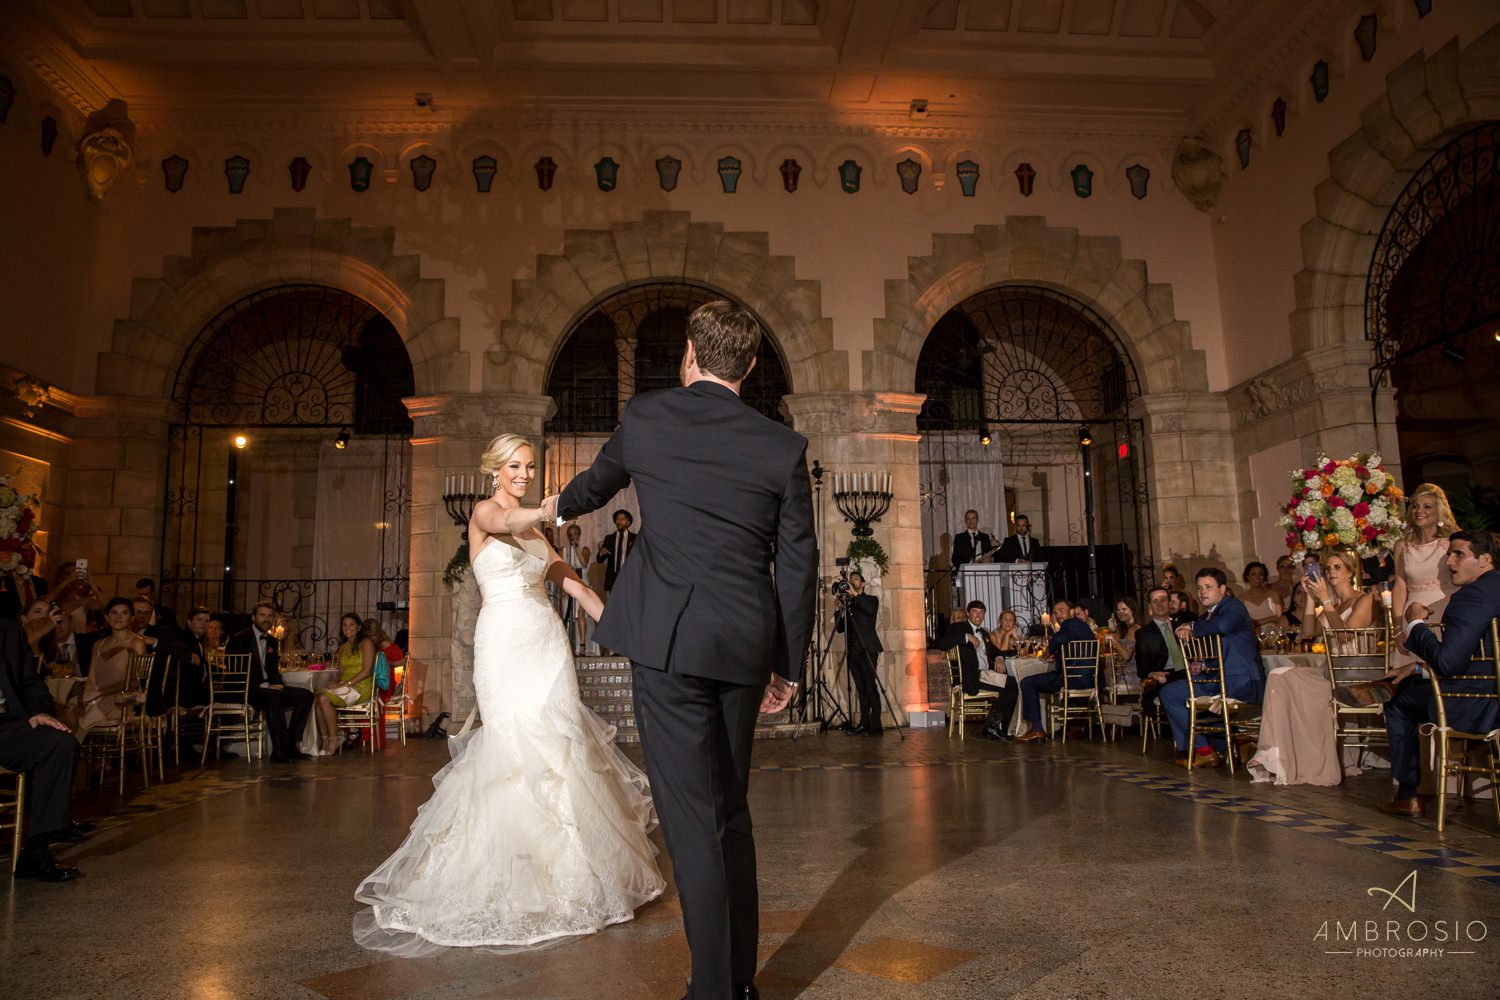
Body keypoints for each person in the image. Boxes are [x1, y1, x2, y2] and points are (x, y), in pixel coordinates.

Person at [557, 300, 817, 1000]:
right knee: (730, 810)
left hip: (668, 643)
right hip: (742, 643)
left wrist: (539, 511)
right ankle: (738, 981)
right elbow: (797, 566)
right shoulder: (781, 447)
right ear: (753, 366)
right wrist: (788, 666)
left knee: (692, 822)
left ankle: (713, 992)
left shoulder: (646, 417)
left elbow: (589, 491)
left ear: (690, 356)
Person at [356, 433, 665, 956]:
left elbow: (578, 589)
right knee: (512, 754)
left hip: (546, 646)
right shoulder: (483, 515)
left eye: (529, 467)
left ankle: (574, 885)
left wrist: (629, 639)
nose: (523, 473)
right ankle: (508, 881)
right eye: (515, 466)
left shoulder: (540, 536)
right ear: (496, 470)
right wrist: (553, 508)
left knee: (561, 749)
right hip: (502, 646)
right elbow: (508, 522)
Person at [1337, 530, 1500, 818]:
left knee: (1399, 703)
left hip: (1478, 704)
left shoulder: (1471, 597)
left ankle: (1407, 794)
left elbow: (1449, 664)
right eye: (1449, 553)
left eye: (1458, 554)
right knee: (1409, 678)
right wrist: (1418, 667)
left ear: (1485, 559)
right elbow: (1480, 657)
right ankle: (1401, 679)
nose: (1449, 560)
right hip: (1487, 687)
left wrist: (1414, 624)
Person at [0, 617, 83, 882]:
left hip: (5, 727)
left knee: (59, 742)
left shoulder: (9, 629)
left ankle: (36, 851)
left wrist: (39, 712)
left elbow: (30, 682)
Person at [1161, 568, 1265, 768]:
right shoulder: (1205, 617)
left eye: (1208, 587)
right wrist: (1198, 664)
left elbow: (1223, 626)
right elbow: (1209, 649)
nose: (1203, 592)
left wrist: (1191, 626)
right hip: (1216, 681)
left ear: (1223, 589)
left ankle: (1204, 751)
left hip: (1239, 681)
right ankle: (1237, 742)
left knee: (1171, 695)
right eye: (1200, 588)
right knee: (1177, 693)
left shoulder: (1233, 606)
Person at [225, 600, 313, 763]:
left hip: (268, 688)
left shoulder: (272, 641)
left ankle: (291, 745)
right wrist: (264, 686)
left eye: (270, 616)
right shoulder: (239, 639)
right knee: (275, 697)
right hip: (248, 690)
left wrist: (277, 683)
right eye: (262, 615)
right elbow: (234, 673)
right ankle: (279, 749)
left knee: (305, 695)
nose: (266, 619)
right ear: (253, 617)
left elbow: (273, 669)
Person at [1389, 483, 1459, 674]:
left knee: (1444, 670)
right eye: (1415, 506)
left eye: (1427, 506)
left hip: (1445, 610)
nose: (1419, 511)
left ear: (1439, 511)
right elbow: (1400, 586)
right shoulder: (1402, 545)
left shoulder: (1452, 542)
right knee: (1410, 681)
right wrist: (1397, 629)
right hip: (1411, 614)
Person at [1016, 599, 1095, 742]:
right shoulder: (1083, 627)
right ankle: (1076, 725)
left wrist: (1048, 652)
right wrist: (1058, 656)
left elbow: (1059, 639)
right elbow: (1073, 647)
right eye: (1055, 612)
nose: (1058, 614)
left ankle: (1037, 729)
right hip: (1089, 678)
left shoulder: (1070, 624)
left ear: (1071, 612)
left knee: (1027, 682)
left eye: (1061, 610)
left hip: (1071, 679)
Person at [940, 600, 1017, 741]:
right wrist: (966, 637)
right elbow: (943, 643)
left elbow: (994, 651)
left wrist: (999, 657)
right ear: (968, 613)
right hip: (973, 676)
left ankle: (993, 725)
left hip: (986, 674)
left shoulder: (983, 632)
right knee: (1014, 685)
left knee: (1013, 685)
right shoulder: (959, 627)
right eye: (975, 611)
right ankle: (992, 726)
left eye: (981, 612)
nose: (978, 615)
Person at [76, 597, 148, 738]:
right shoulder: (99, 644)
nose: (119, 616)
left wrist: (99, 692)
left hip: (121, 701)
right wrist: (86, 697)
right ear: (107, 618)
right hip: (97, 699)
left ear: (132, 618)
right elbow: (91, 678)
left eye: (124, 613)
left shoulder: (137, 643)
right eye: (114, 612)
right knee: (68, 712)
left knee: (76, 720)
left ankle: (75, 753)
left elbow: (135, 681)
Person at [313, 613, 378, 755]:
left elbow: (366, 671)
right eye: (344, 625)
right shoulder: (343, 647)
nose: (347, 628)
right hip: (346, 685)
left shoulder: (366, 643)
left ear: (359, 627)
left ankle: (334, 738)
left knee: (324, 699)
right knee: (318, 698)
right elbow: (340, 672)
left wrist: (344, 685)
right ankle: (325, 739)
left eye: (351, 624)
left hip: (360, 686)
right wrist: (335, 683)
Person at [835, 571, 884, 736]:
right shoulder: (850, 605)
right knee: (861, 690)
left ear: (862, 584)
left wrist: (855, 595)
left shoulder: (870, 600)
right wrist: (839, 609)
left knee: (871, 687)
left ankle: (876, 726)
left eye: (855, 579)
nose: (852, 581)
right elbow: (840, 628)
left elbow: (869, 611)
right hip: (853, 652)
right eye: (851, 580)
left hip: (869, 650)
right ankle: (864, 724)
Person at [1136, 587, 1188, 723]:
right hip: (1164, 677)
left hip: (1187, 673)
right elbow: (1141, 667)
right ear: (1150, 606)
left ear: (1170, 603)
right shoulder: (1144, 633)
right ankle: (1187, 732)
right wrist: (1152, 673)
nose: (1160, 604)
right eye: (1155, 601)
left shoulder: (1182, 627)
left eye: (1163, 600)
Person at [561, 523, 592, 653]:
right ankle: (569, 646)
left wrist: (576, 547)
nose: (572, 537)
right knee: (569, 616)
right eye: (570, 535)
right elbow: (562, 570)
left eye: (575, 534)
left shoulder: (584, 549)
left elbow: (584, 564)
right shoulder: (565, 551)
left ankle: (582, 646)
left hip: (583, 585)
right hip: (570, 586)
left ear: (579, 535)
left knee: (580, 614)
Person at [1104, 596, 1142, 695]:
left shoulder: (1134, 629)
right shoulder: (1127, 629)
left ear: (1132, 610)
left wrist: (1113, 640)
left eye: (1124, 609)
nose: (1120, 612)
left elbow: (1126, 656)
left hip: (1132, 677)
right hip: (1126, 673)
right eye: (1118, 610)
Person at [596, 509, 637, 594]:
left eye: (622, 519)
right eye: (617, 519)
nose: (619, 522)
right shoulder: (609, 538)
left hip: (629, 577)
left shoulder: (635, 538)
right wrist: (600, 553)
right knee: (614, 605)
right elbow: (599, 560)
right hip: (613, 578)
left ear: (628, 522)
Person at [1240, 562, 1284, 629]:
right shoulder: (1241, 598)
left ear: (1264, 577)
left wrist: (1256, 622)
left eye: (1260, 574)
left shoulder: (1273, 594)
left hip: (1272, 635)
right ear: (1248, 577)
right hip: (1251, 636)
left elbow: (1279, 618)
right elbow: (1243, 623)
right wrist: (1269, 619)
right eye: (1253, 574)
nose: (1257, 577)